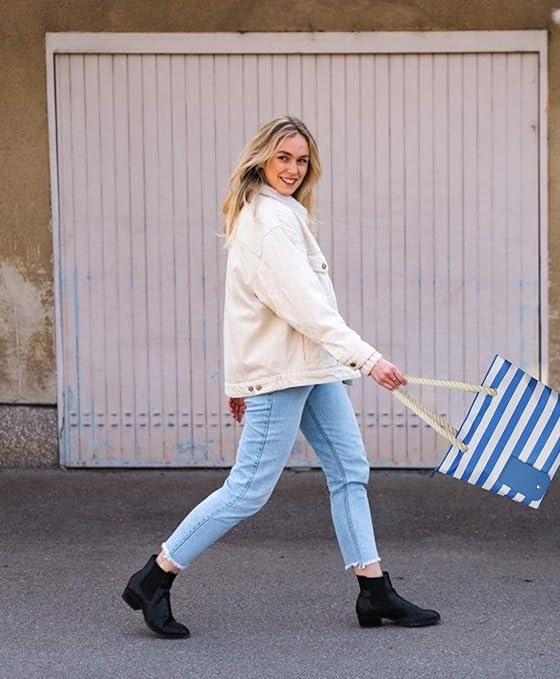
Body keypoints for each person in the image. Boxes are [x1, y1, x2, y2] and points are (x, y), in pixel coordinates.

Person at [122, 116, 440, 639]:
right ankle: (155, 576)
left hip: (310, 368)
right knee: (247, 490)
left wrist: (234, 379)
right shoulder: (269, 221)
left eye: (301, 159)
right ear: (262, 159)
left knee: (349, 469)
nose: (293, 168)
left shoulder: (284, 214)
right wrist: (367, 360)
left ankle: (373, 589)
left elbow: (243, 308)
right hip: (283, 373)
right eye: (283, 158)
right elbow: (304, 308)